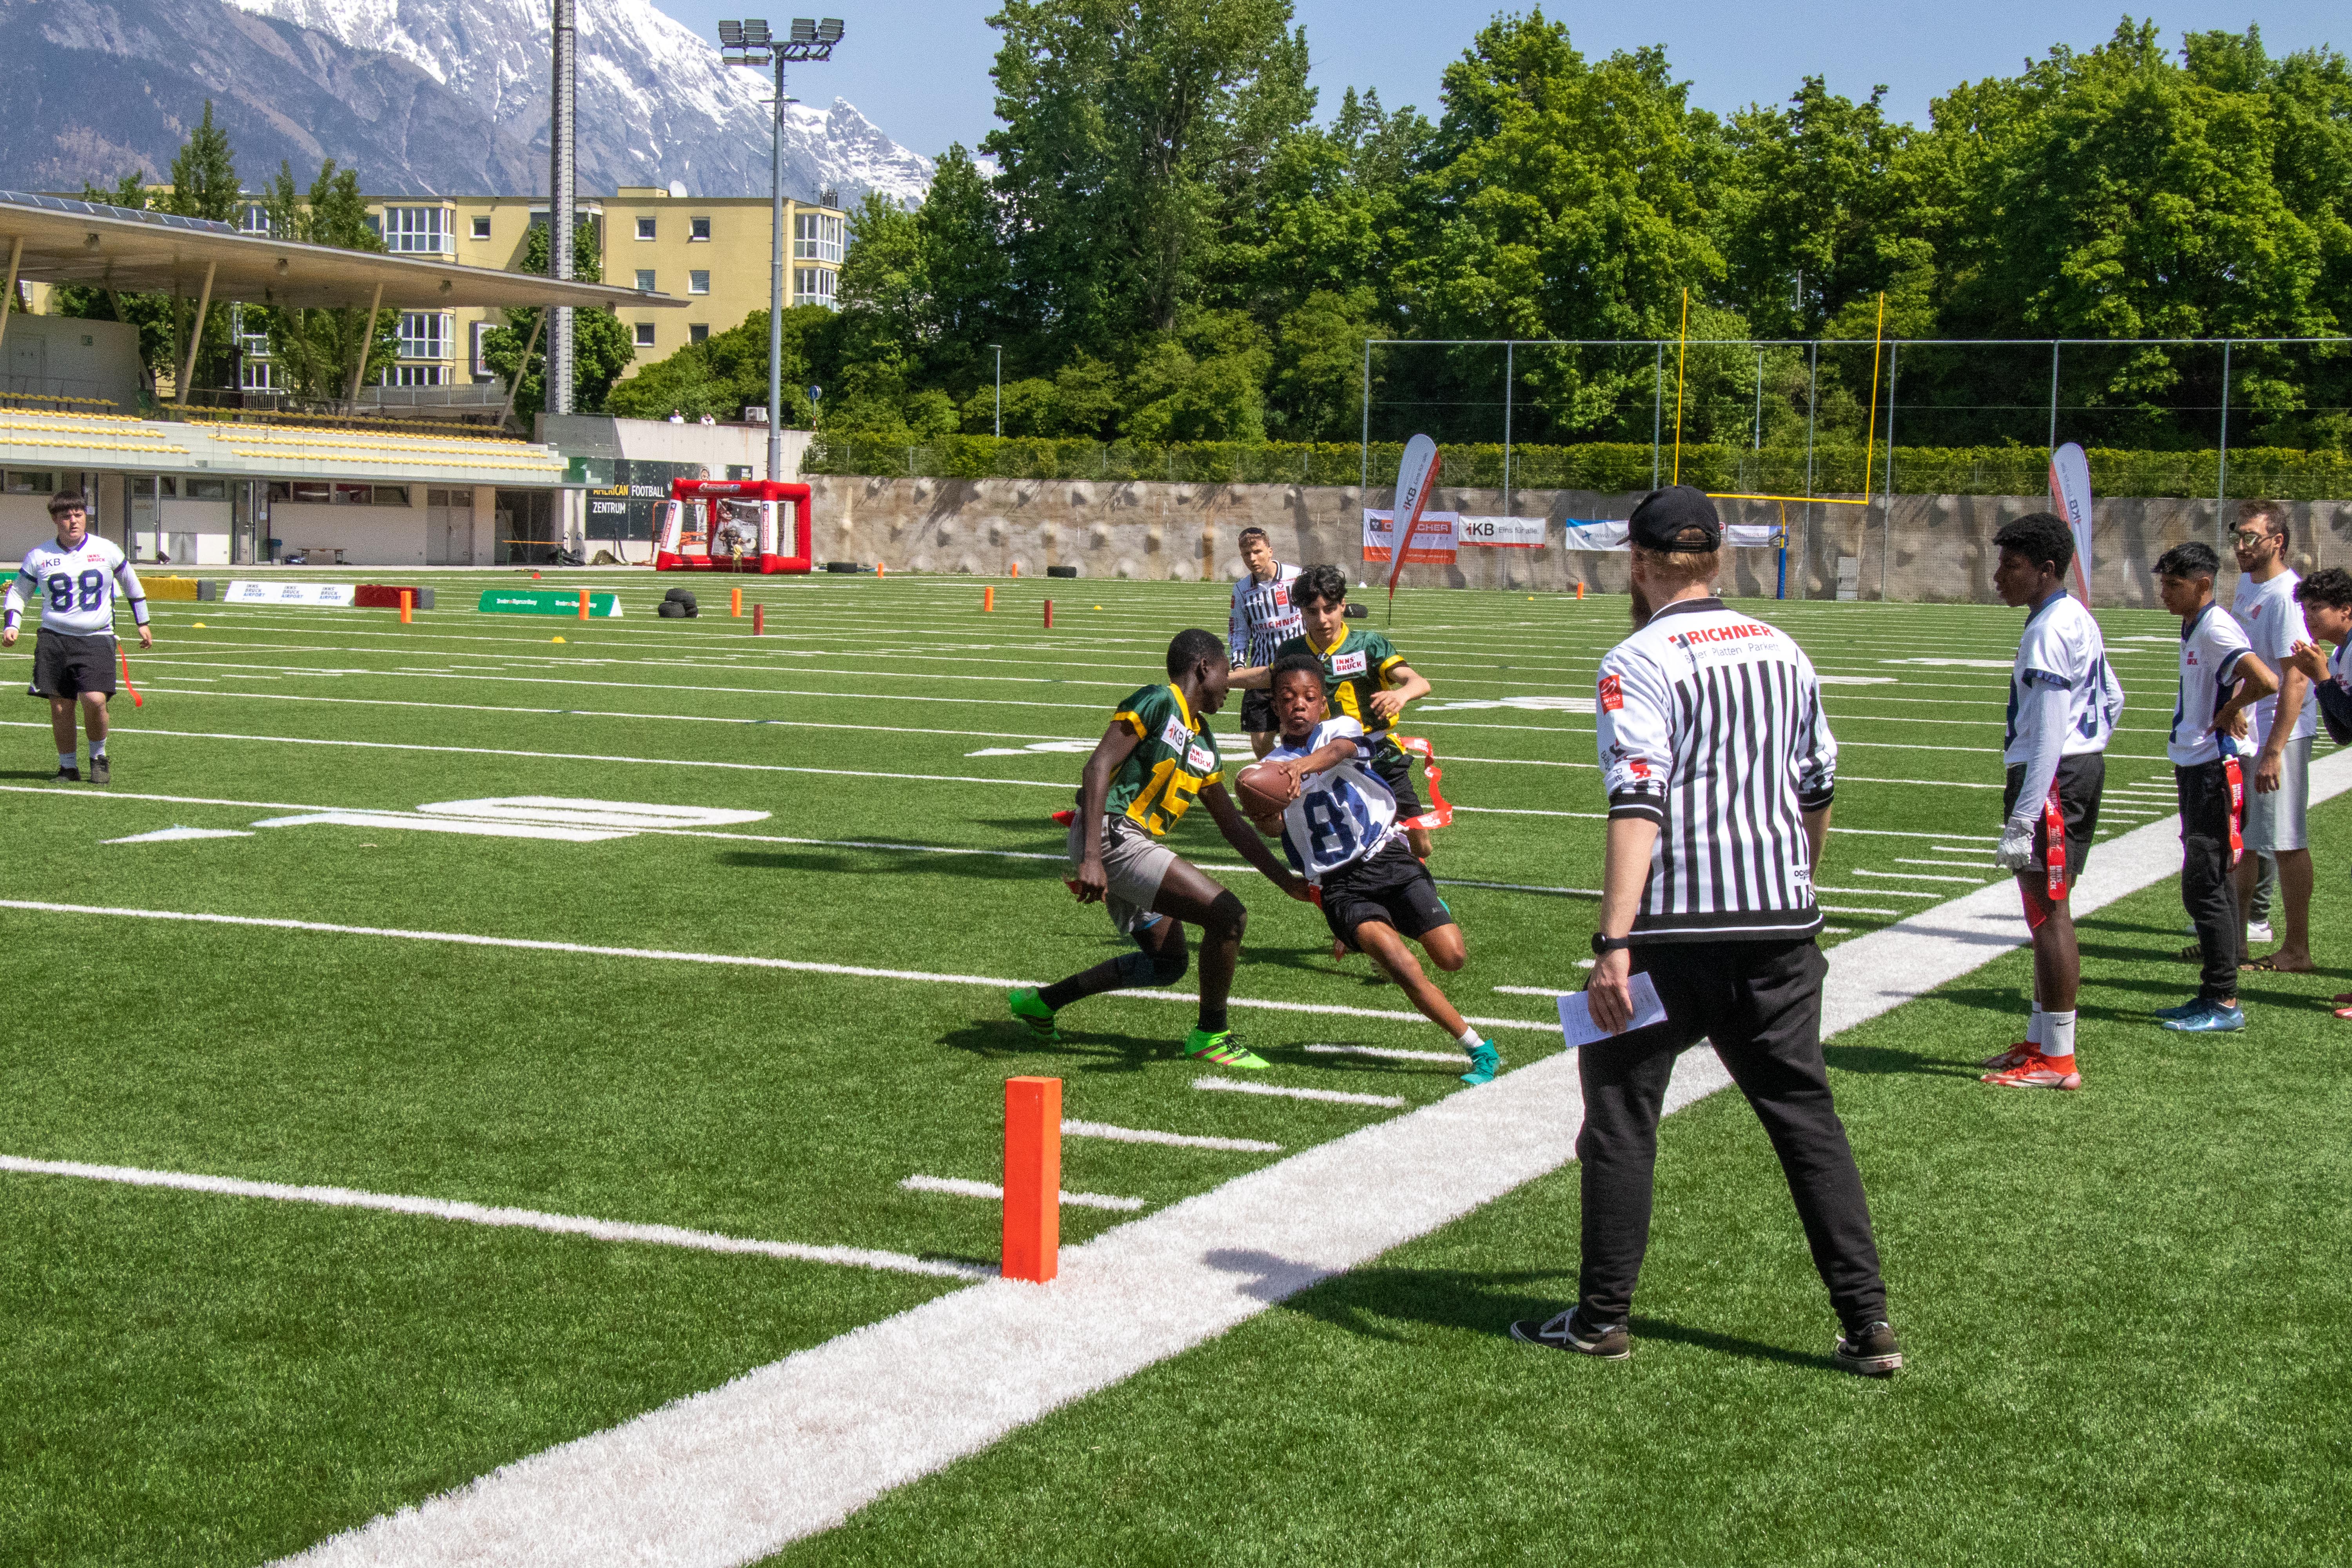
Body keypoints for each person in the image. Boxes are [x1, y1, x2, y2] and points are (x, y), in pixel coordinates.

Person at [1509, 486, 1898, 1376]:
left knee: (1617, 1106)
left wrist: (1613, 942)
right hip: (1780, 921)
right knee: (1806, 1118)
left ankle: (1603, 1314)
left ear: (1639, 563)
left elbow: (1637, 794)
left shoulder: (1635, 659)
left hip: (1676, 931)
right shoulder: (1786, 650)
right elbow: (1819, 784)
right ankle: (1867, 1320)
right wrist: (1798, 874)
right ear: (1720, 557)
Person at [1007, 628, 1312, 1067]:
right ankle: (1212, 1035)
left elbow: (1233, 827)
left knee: (1168, 963)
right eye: (1227, 671)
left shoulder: (1203, 740)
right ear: (1204, 667)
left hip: (1128, 841)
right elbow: (1096, 767)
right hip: (1112, 835)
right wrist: (1092, 856)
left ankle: (1042, 1004)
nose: (1230, 683)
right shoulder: (1158, 700)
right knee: (1228, 916)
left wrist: (1288, 883)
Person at [1252, 652, 1502, 1085]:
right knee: (1401, 963)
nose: (1299, 705)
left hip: (1386, 856)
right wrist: (1265, 806)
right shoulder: (1264, 770)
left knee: (1452, 956)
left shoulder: (1340, 727)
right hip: (1340, 885)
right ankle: (1478, 1047)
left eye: (1309, 697)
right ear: (1275, 706)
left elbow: (1339, 752)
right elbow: (1273, 829)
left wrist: (1297, 768)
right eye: (1288, 698)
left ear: (1323, 704)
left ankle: (1420, 902)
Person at [1982, 513, 2125, 1091]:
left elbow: (2046, 731)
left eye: (2011, 566)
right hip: (2072, 771)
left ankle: (2059, 1058)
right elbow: (2114, 695)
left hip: (2052, 780)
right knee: (2043, 908)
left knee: (2049, 912)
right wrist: (2089, 749)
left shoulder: (2049, 628)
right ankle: (2042, 1038)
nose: (1998, 576)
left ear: (2045, 570)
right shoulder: (2072, 617)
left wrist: (2025, 815)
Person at [2151, 541, 2276, 1033]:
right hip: (2196, 764)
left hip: (2216, 770)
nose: (2164, 593)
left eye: (2173, 584)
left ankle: (2224, 1000)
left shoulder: (2217, 626)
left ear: (2203, 584)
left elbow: (2265, 678)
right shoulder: (2194, 623)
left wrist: (2230, 710)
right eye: (2162, 583)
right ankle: (2212, 991)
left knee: (2206, 881)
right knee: (2210, 879)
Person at [3, 490, 151, 784]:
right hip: (54, 638)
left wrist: (143, 622)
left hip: (96, 636)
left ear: (86, 517)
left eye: (78, 515)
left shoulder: (106, 549)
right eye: (66, 517)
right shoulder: (40, 555)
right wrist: (12, 624)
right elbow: (19, 592)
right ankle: (67, 766)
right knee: (60, 706)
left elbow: (131, 584)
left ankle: (99, 757)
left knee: (95, 700)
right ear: (55, 520)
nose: (73, 521)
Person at [2226, 501, 2314, 973]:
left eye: (2251, 538)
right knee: (2247, 839)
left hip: (2283, 732)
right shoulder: (2248, 583)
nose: (2241, 546)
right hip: (2252, 726)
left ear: (2277, 541)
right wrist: (2238, 706)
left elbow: (2296, 678)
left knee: (2286, 839)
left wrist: (2276, 750)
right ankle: (2234, 942)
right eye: (2238, 537)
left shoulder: (2286, 594)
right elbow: (2248, 656)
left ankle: (2297, 949)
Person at [1225, 526, 1304, 760]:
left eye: (1257, 552)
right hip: (1260, 673)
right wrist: (1239, 668)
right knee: (1260, 743)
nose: (1252, 559)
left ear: (1270, 551)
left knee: (1291, 736)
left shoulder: (1297, 578)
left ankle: (1295, 785)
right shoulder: (1241, 589)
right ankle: (1276, 784)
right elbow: (1239, 631)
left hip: (1295, 671)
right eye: (1246, 554)